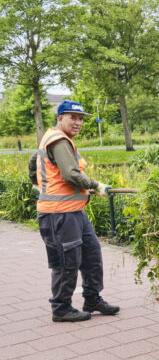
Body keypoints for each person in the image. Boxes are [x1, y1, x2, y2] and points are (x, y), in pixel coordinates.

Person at [28, 100, 120, 322]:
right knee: (66, 261)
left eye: (80, 118)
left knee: (91, 253)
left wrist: (39, 183)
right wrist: (96, 185)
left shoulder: (57, 138)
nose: (78, 122)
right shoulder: (59, 141)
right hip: (58, 214)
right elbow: (70, 174)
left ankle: (92, 298)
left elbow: (34, 162)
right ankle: (61, 308)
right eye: (73, 118)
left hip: (73, 211)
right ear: (60, 118)